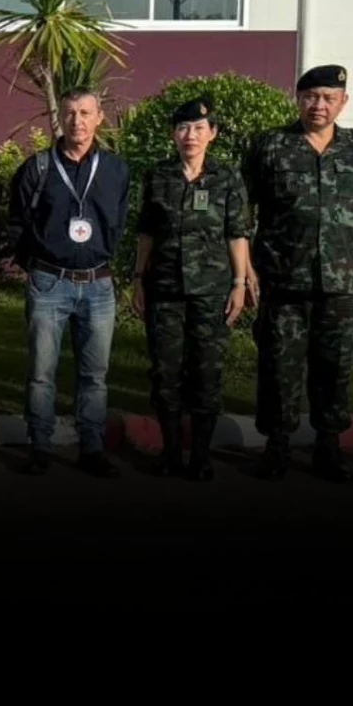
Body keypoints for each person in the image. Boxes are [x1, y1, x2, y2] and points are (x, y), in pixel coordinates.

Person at [243, 64, 353, 483]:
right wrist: (246, 269)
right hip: (283, 280)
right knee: (279, 365)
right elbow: (242, 209)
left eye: (329, 98)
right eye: (311, 97)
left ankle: (329, 445)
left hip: (342, 282)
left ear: (343, 102)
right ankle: (277, 445)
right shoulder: (271, 146)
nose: (319, 105)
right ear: (298, 99)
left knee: (336, 366)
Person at [2, 87, 129, 478]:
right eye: (70, 113)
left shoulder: (115, 169)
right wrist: (35, 266)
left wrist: (99, 256)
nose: (78, 121)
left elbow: (119, 221)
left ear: (99, 117)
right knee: (42, 372)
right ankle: (40, 447)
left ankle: (91, 448)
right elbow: (17, 223)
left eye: (86, 113)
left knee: (94, 375)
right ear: (59, 117)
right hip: (49, 283)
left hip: (98, 285)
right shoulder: (38, 168)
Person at [129, 97, 253, 481]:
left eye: (199, 128)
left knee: (206, 374)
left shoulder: (227, 178)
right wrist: (137, 278)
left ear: (212, 133)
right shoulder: (159, 176)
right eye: (183, 128)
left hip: (211, 291)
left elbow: (237, 233)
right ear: (173, 134)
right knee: (165, 373)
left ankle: (200, 456)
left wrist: (239, 283)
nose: (191, 136)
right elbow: (147, 232)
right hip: (164, 290)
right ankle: (170, 453)